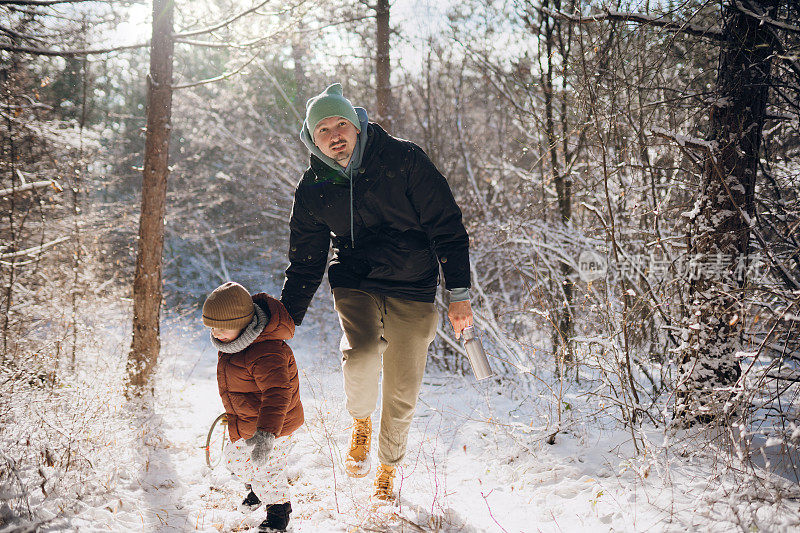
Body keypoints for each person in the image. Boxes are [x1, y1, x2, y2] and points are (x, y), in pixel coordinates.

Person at [280, 83, 473, 501]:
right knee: (363, 352)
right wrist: (286, 319)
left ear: (357, 124)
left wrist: (458, 292)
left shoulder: (403, 158)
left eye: (341, 124)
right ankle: (360, 421)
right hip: (356, 278)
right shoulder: (313, 186)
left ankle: (387, 464)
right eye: (323, 130)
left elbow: (447, 226)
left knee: (403, 388)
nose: (335, 135)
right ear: (312, 141)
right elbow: (306, 262)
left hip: (413, 283)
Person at [203, 281, 304, 532]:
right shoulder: (234, 344)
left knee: (267, 470)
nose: (215, 333)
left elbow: (278, 392)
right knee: (236, 460)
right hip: (249, 423)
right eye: (211, 327)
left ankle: (278, 513)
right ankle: (257, 489)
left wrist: (267, 433)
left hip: (275, 427)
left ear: (244, 324)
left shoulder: (267, 352)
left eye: (222, 327)